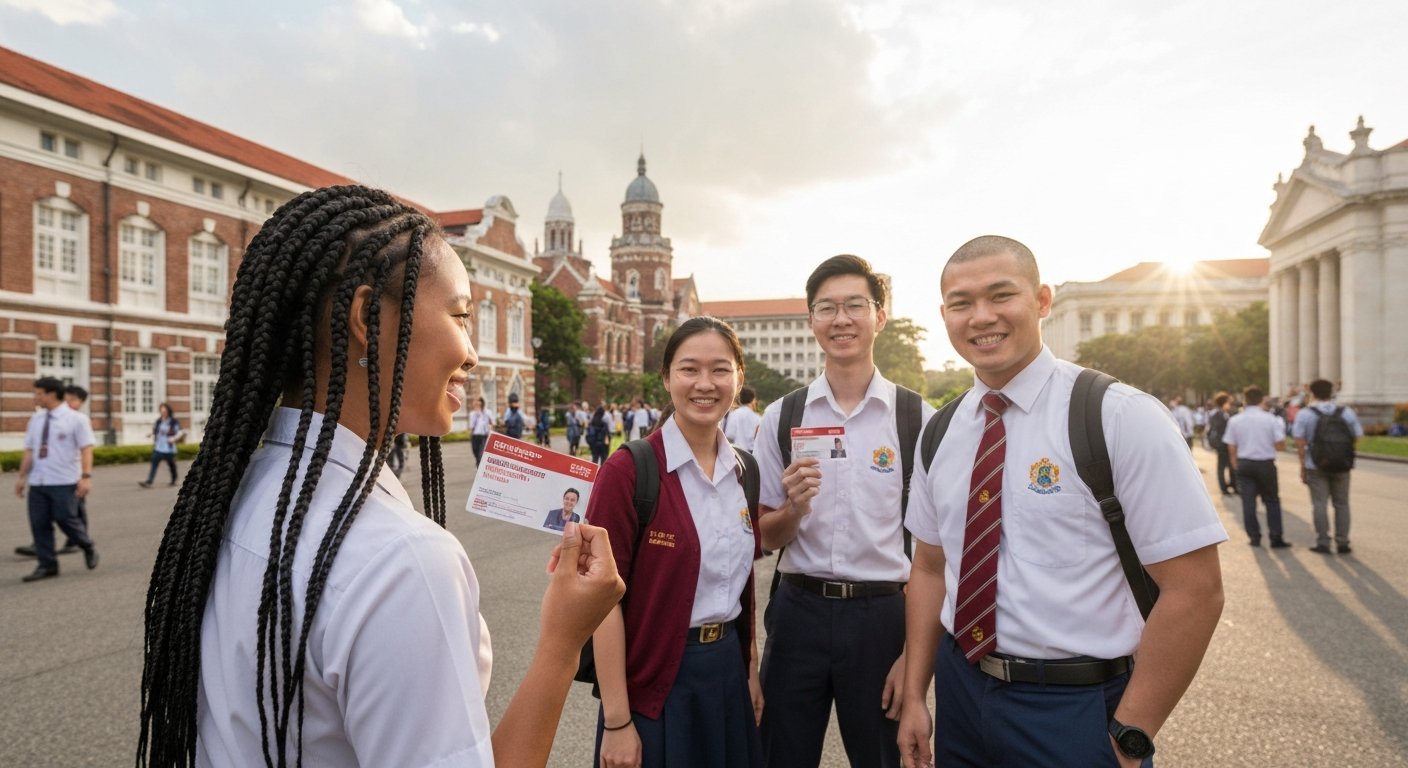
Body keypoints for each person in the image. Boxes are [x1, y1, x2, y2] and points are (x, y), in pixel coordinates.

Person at [135, 186, 623, 768]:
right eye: (460, 317)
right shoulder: (401, 559)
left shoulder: (240, 494)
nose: (472, 354)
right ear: (368, 318)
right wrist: (562, 645)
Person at [898, 236, 1226, 768]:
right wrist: (916, 693)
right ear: (944, 315)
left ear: (1042, 300)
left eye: (1001, 295)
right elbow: (930, 568)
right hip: (963, 693)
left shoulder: (1119, 417)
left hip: (1076, 707)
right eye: (961, 303)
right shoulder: (941, 431)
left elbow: (1196, 590)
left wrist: (1131, 733)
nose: (981, 317)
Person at [753, 254, 934, 768]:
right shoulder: (783, 416)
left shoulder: (916, 418)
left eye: (855, 305)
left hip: (882, 617)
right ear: (811, 320)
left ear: (880, 316)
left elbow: (939, 554)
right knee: (780, 755)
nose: (841, 320)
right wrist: (793, 509)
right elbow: (764, 536)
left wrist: (914, 661)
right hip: (798, 611)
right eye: (826, 308)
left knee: (884, 757)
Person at [589, 316, 764, 768]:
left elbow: (742, 586)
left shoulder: (745, 471)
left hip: (726, 672)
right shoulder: (629, 470)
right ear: (666, 378)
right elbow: (602, 602)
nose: (705, 384)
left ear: (738, 378)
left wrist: (749, 670)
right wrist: (617, 721)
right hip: (655, 683)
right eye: (689, 369)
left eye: (720, 369)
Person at [15, 376, 99, 582]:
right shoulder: (36, 420)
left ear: (51, 394)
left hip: (65, 480)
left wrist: (86, 477)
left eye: (38, 393)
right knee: (39, 524)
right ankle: (47, 565)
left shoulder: (76, 419)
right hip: (39, 481)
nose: (35, 397)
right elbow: (29, 450)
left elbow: (86, 449)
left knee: (65, 518)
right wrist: (22, 477)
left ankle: (87, 545)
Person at [1291, 378, 1364, 554]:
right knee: (1342, 503)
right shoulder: (1346, 412)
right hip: (1342, 465)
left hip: (1315, 465)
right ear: (1332, 393)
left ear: (1311, 393)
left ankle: (1323, 541)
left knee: (1319, 504)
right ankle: (1342, 541)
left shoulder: (1305, 414)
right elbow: (1357, 436)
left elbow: (1300, 443)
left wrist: (1302, 467)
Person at [1222, 385, 1290, 549]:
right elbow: (1280, 445)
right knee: (1272, 500)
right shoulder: (1271, 419)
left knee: (1248, 502)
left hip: (1245, 463)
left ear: (1245, 400)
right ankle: (1275, 537)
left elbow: (1231, 446)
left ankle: (1254, 536)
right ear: (1262, 400)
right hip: (1265, 462)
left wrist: (1235, 464)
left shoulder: (1235, 420)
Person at [138, 403, 184, 488]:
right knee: (154, 463)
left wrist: (174, 438)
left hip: (169, 448)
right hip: (159, 447)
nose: (163, 413)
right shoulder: (159, 421)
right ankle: (149, 481)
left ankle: (174, 479)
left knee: (172, 465)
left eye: (164, 411)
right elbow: (155, 430)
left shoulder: (173, 421)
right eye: (162, 411)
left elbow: (180, 432)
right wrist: (151, 434)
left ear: (168, 411)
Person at [1206, 392, 1236, 496]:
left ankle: (1234, 485)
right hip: (1222, 444)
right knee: (1222, 467)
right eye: (1229, 402)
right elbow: (1217, 429)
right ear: (1224, 402)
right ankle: (1223, 487)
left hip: (1229, 444)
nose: (1230, 405)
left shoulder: (1228, 413)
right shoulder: (1216, 414)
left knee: (1232, 465)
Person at [723, 385, 762, 453]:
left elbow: (729, 434)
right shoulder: (757, 418)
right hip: (752, 453)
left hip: (736, 452)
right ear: (752, 400)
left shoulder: (733, 414)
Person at [469, 396, 492, 466]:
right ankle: (479, 467)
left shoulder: (487, 413)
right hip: (475, 436)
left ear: (482, 403)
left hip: (484, 436)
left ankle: (480, 468)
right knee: (475, 453)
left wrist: (490, 430)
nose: (477, 404)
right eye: (476, 403)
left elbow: (491, 423)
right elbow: (472, 426)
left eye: (479, 402)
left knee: (480, 455)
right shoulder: (472, 414)